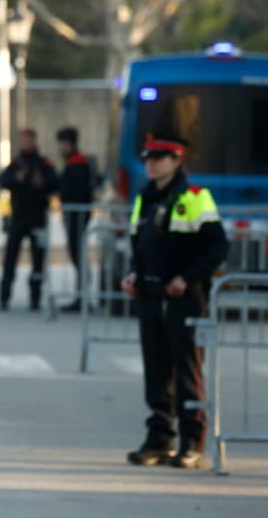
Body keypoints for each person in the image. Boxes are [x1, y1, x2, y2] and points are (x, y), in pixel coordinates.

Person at [121, 134, 227, 470]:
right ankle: (159, 440)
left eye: (160, 157)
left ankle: (192, 443)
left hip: (185, 298)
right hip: (151, 296)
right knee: (156, 370)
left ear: (177, 160)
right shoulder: (144, 198)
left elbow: (217, 247)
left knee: (187, 371)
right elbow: (140, 247)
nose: (152, 163)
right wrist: (133, 274)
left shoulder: (196, 197)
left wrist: (189, 278)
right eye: (149, 157)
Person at [0, 128, 59, 311]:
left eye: (28, 140)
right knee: (10, 259)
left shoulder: (43, 163)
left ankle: (35, 298)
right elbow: (2, 181)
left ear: (34, 141)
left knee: (38, 261)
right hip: (18, 218)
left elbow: (55, 183)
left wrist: (43, 183)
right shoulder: (16, 163)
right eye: (23, 140)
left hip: (38, 218)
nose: (25, 143)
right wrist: (17, 178)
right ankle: (4, 296)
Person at [55, 126, 95, 313]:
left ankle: (82, 297)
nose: (61, 147)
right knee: (76, 254)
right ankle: (80, 296)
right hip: (72, 215)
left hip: (77, 216)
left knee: (78, 255)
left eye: (63, 143)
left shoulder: (78, 164)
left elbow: (78, 191)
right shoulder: (74, 162)